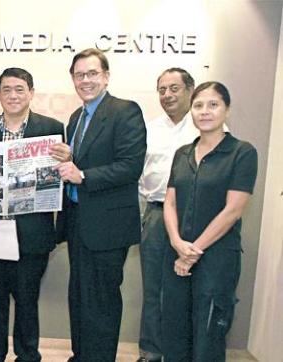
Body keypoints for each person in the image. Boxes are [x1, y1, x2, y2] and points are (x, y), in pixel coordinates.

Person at [55, 48, 146, 361]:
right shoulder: (76, 117)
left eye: (92, 73)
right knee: (79, 296)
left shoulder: (125, 111)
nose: (86, 80)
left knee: (102, 301)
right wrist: (68, 160)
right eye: (79, 75)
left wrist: (82, 174)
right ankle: (81, 355)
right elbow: (80, 162)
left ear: (106, 76)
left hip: (108, 226)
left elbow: (130, 166)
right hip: (78, 221)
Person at [0, 67, 67, 362]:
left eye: (19, 89)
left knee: (27, 300)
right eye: (6, 90)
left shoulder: (51, 129)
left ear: (31, 93)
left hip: (33, 229)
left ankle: (28, 355)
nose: (13, 95)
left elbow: (56, 177)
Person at [161, 81, 257, 361]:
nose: (205, 112)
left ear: (227, 110)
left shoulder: (242, 152)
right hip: (177, 255)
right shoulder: (183, 153)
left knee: (208, 334)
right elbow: (170, 202)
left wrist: (192, 253)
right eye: (198, 105)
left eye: (213, 105)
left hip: (216, 259)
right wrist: (177, 243)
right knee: (175, 330)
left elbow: (233, 210)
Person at [136, 68, 198, 362]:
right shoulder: (149, 128)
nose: (168, 95)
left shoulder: (204, 126)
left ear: (190, 89)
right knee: (153, 289)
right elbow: (138, 172)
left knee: (187, 289)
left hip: (195, 218)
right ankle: (150, 351)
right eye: (162, 90)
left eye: (174, 88)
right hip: (157, 214)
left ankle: (179, 353)